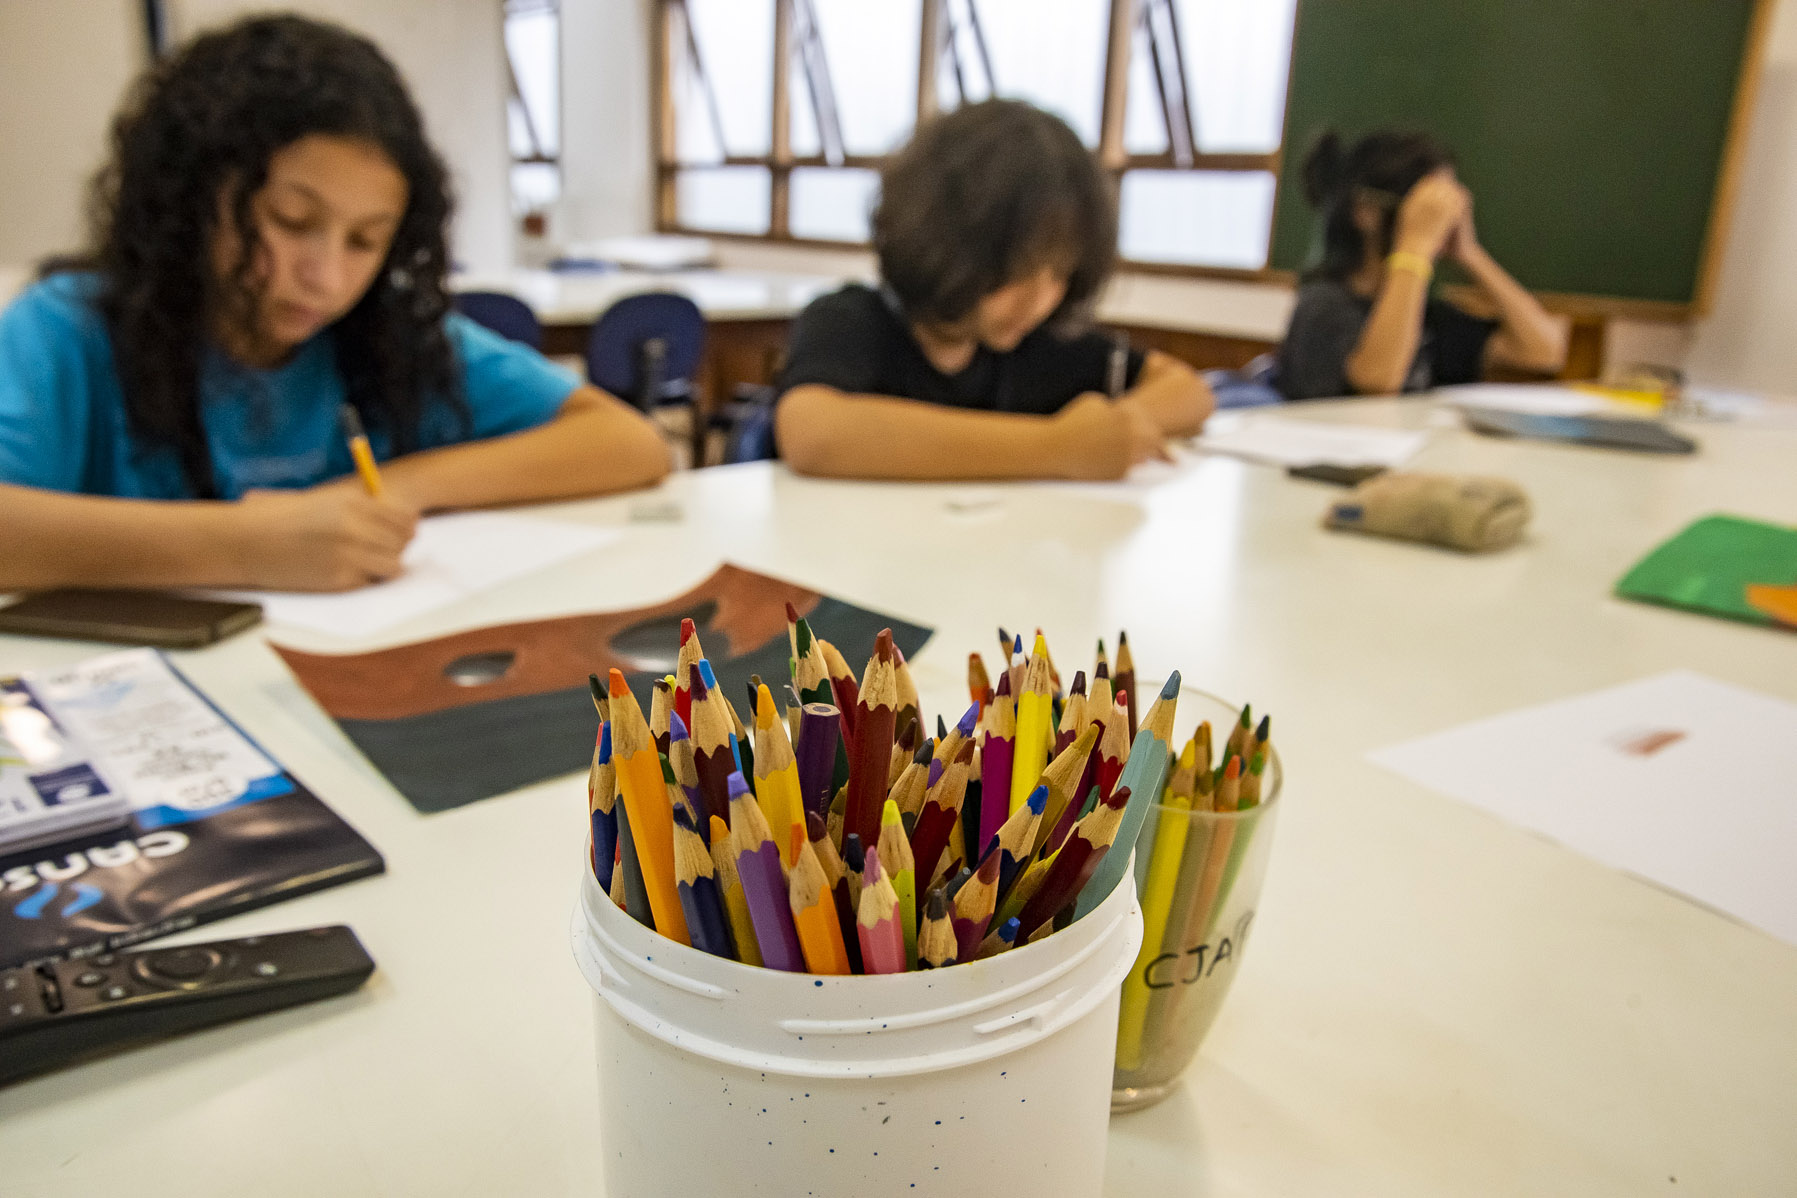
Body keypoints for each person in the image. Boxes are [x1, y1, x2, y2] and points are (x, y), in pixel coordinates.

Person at [0, 15, 669, 594]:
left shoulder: (387, 332)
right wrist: (244, 544)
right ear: (191, 198)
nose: (326, 277)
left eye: (366, 240)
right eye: (290, 221)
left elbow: (629, 444)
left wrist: (389, 491)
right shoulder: (67, 330)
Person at [774, 100, 1212, 481]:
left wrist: (1115, 433)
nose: (1039, 302)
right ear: (946, 243)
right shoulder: (850, 321)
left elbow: (1187, 390)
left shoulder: (1043, 345)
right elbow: (813, 433)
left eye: (1060, 274)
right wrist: (1057, 448)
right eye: (1017, 272)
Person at [1277, 129, 1567, 401]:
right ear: (1365, 212)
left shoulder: (1429, 315)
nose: (1439, 222)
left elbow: (1544, 351)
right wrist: (1414, 247)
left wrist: (1469, 253)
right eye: (1427, 208)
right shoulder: (1322, 305)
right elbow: (1377, 381)